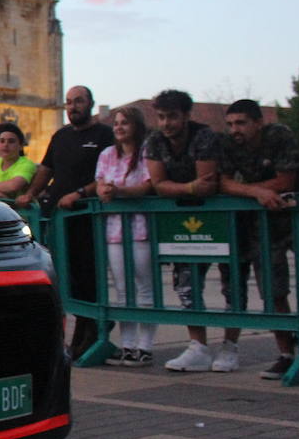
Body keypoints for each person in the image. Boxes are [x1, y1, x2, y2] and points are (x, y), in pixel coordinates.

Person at [16, 86, 116, 357]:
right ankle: (81, 328)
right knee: (66, 277)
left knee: (87, 276)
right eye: (69, 102)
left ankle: (90, 329)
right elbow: (46, 170)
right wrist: (30, 194)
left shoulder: (105, 135)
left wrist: (80, 193)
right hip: (59, 219)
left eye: (78, 101)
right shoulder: (60, 136)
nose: (73, 107)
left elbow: (108, 174)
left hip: (87, 218)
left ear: (91, 104)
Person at [219, 99, 299, 378]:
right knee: (273, 291)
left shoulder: (279, 135)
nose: (235, 129)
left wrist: (244, 189)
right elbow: (223, 182)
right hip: (263, 223)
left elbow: (285, 181)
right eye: (230, 124)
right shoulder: (230, 145)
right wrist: (255, 193)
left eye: (241, 122)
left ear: (258, 122)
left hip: (296, 217)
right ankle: (286, 353)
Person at [143, 90, 226, 373]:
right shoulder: (154, 140)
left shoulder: (204, 137)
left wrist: (179, 187)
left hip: (221, 220)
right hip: (180, 224)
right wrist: (189, 188)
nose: (167, 123)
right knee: (186, 284)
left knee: (232, 283)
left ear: (186, 115)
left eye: (173, 116)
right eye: (162, 117)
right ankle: (198, 346)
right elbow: (157, 183)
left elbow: (209, 182)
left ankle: (230, 346)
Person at [95, 106, 156, 365]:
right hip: (114, 231)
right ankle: (128, 343)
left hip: (140, 228)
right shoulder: (108, 154)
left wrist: (119, 191)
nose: (119, 127)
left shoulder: (147, 153)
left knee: (144, 286)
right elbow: (99, 183)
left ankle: (145, 345)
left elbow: (147, 185)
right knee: (122, 288)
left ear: (136, 126)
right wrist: (105, 191)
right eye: (116, 123)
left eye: (125, 123)